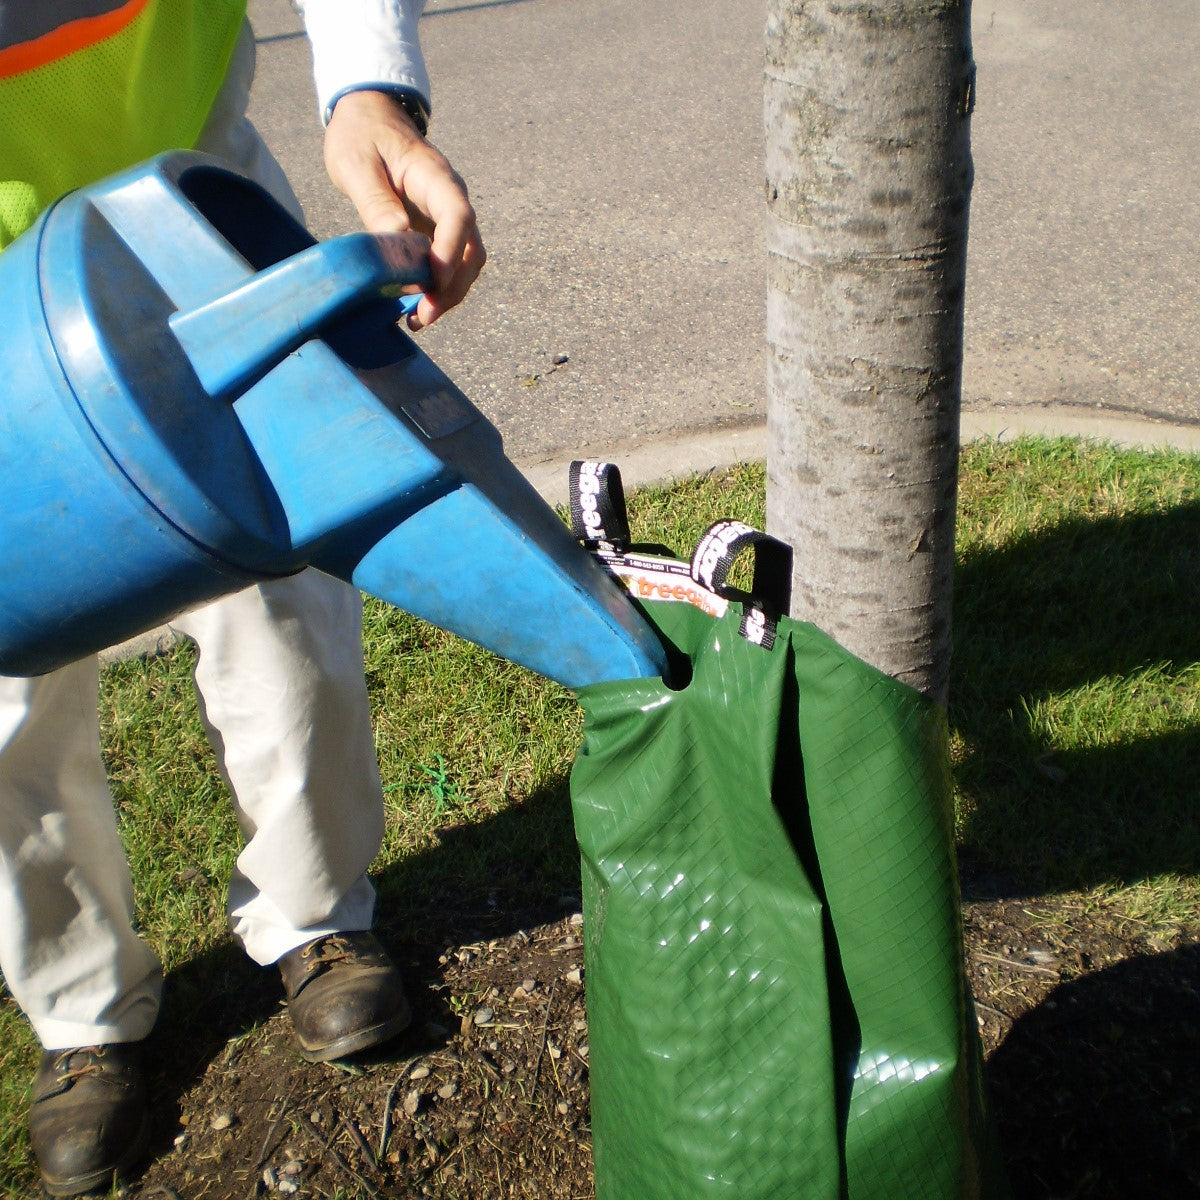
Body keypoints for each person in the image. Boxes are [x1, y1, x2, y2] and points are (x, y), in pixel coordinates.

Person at [0, 1, 485, 1194]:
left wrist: (371, 87)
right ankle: (84, 1018)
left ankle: (319, 916)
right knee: (8, 700)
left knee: (281, 602)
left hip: (179, 226)